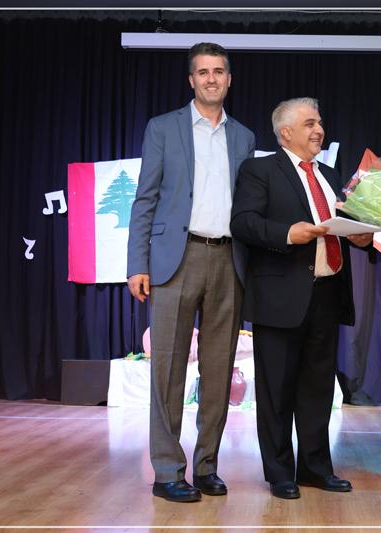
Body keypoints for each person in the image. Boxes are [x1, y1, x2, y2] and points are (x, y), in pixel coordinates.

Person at [126, 42, 256, 503]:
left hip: (228, 259)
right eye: (203, 72)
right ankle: (166, 471)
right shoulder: (162, 128)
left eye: (218, 71)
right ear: (191, 80)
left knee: (219, 370)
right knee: (167, 369)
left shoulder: (244, 137)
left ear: (229, 79)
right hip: (174, 259)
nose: (211, 79)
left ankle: (206, 467)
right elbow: (145, 199)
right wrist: (137, 263)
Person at [230, 97, 373, 500]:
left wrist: (361, 237)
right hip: (279, 296)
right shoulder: (259, 170)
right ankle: (279, 473)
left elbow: (343, 227)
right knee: (276, 390)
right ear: (285, 132)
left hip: (327, 293)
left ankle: (315, 469)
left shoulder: (329, 174)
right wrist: (287, 234)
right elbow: (243, 223)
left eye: (320, 122)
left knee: (317, 389)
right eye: (310, 123)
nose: (319, 130)